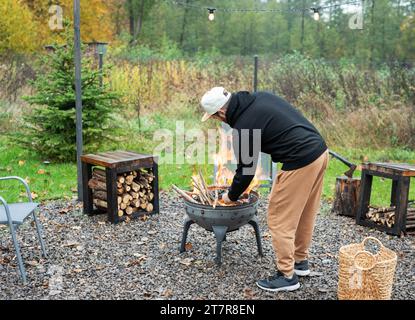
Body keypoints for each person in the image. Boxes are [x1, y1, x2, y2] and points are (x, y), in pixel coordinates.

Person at [200, 87, 329, 292]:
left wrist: (230, 196)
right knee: (305, 212)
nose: (219, 121)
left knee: (279, 217)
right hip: (319, 152)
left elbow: (246, 172)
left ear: (221, 113)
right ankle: (300, 262)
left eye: (216, 118)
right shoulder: (260, 97)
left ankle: (287, 276)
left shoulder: (243, 127)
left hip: (299, 161)